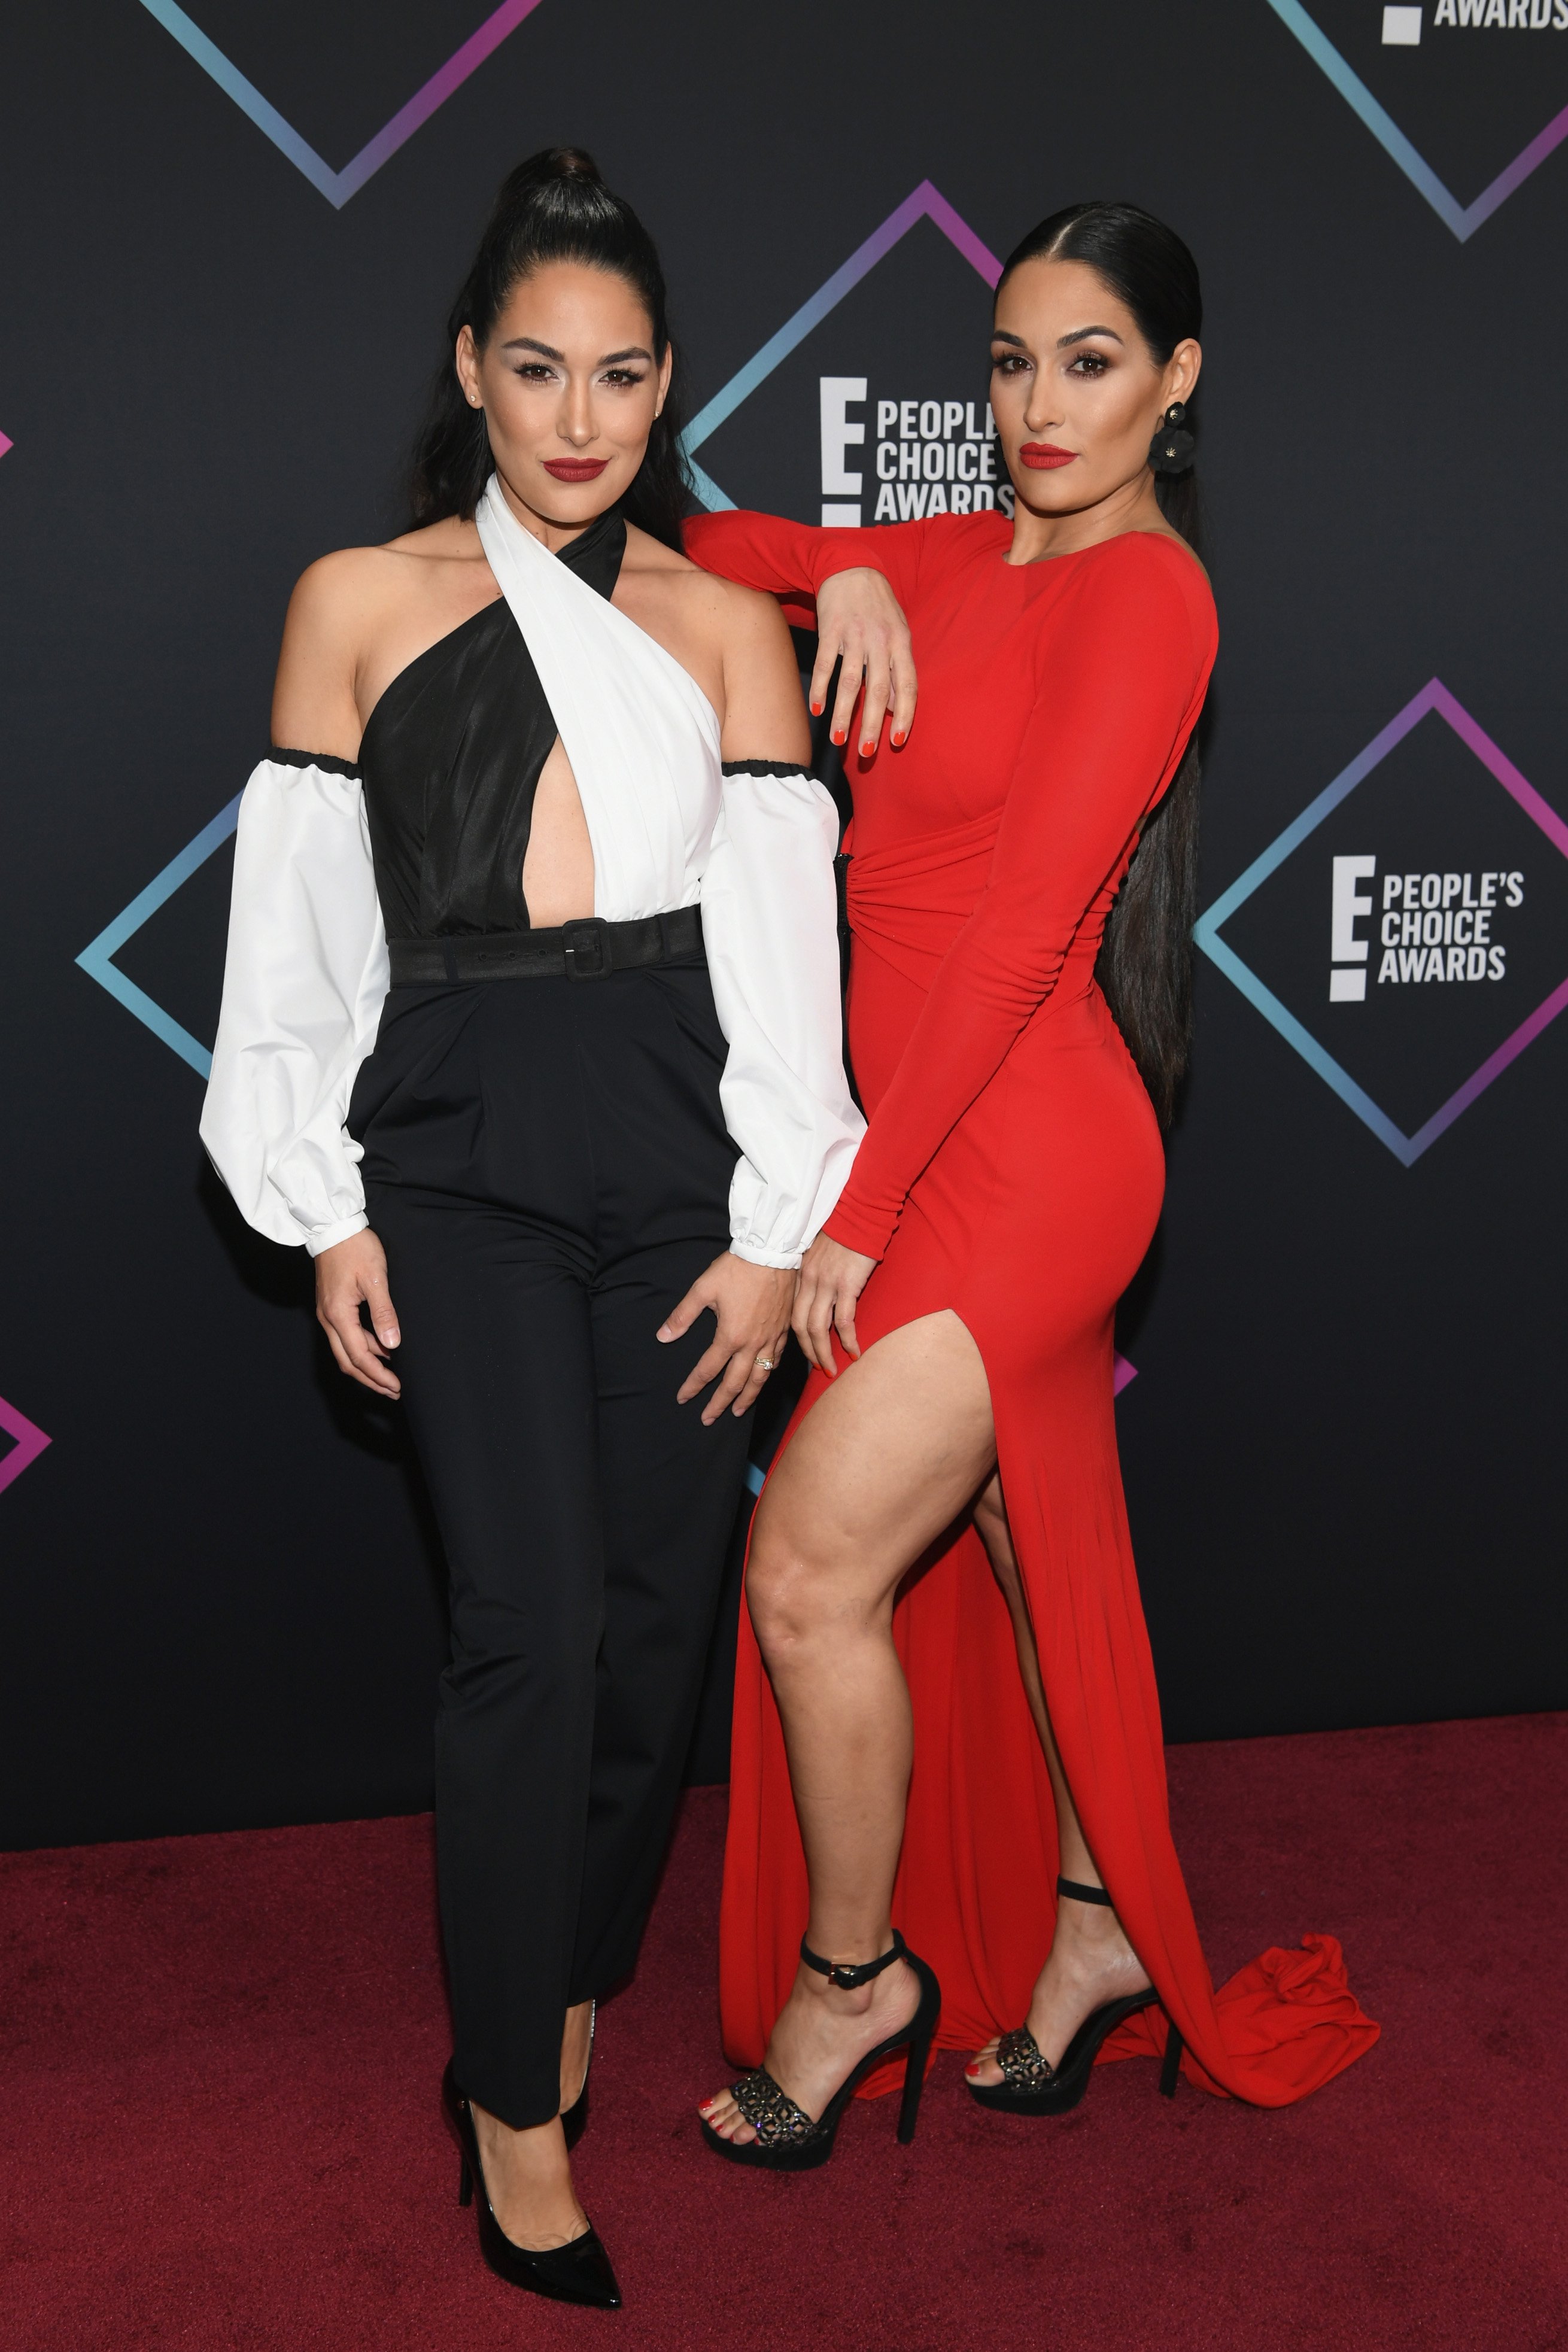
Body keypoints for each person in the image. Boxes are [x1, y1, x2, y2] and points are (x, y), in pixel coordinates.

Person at [200, 149, 862, 2297]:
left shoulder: (716, 623)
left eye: (620, 377)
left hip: (678, 1150)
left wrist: (776, 1226)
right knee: (533, 1627)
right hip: (462, 1147)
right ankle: (508, 2098)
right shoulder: (358, 600)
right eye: (536, 370)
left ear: (668, 386)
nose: (577, 418)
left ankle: (567, 1975)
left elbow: (779, 955)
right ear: (469, 373)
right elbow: (293, 946)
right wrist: (319, 1207)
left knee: (660, 1627)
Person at [688, 200, 1378, 2166]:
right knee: (1004, 1541)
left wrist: (855, 1212)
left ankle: (857, 1983)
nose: (1039, 402)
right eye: (1008, 361)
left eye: (1089, 359)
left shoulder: (1153, 600)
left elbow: (1012, 940)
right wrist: (848, 570)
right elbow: (705, 547)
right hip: (924, 1139)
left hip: (1026, 1148)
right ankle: (1089, 1935)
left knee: (811, 1572)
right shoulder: (944, 557)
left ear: (1176, 380)